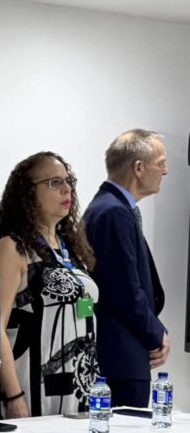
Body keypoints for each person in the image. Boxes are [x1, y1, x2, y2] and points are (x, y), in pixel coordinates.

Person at [0, 152, 99, 417]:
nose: (66, 188)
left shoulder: (71, 250)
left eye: (68, 180)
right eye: (54, 182)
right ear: (27, 194)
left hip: (79, 388)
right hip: (32, 389)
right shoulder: (13, 248)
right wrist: (13, 396)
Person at [83, 129, 169, 407]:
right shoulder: (113, 212)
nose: (165, 171)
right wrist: (157, 335)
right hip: (120, 359)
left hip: (123, 354)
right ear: (139, 167)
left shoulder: (112, 208)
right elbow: (125, 292)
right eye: (161, 163)